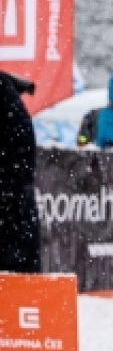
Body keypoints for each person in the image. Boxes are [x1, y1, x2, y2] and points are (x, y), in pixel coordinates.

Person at [0, 69, 42, 273]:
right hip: (15, 214)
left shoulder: (6, 97)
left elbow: (22, 162)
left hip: (12, 220)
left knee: (18, 292)